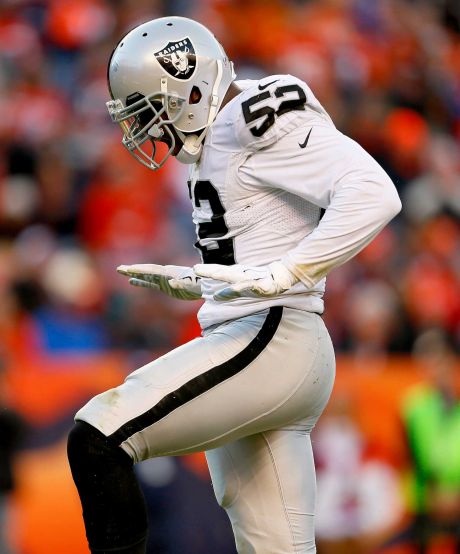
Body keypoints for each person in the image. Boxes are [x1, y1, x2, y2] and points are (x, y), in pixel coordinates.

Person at [67, 16, 401, 554]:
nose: (146, 131)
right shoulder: (213, 143)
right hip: (262, 342)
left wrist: (290, 272)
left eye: (150, 112)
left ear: (189, 89)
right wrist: (199, 283)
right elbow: (253, 240)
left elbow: (373, 193)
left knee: (98, 436)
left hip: (271, 340)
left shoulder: (252, 115)